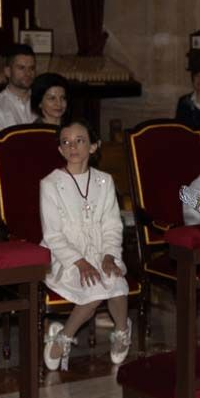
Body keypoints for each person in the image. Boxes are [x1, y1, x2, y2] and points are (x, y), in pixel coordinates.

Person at [40, 119, 132, 371]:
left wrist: (109, 255)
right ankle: (64, 337)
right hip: (66, 257)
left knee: (117, 284)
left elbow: (112, 225)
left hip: (101, 251)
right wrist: (80, 263)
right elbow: (53, 235)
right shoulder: (50, 184)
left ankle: (122, 330)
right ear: (60, 150)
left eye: (79, 140)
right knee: (92, 289)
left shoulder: (104, 181)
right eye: (66, 142)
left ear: (93, 146)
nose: (72, 147)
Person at [0, 45, 38, 130]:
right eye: (21, 68)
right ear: (8, 72)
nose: (28, 73)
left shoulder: (41, 100)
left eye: (31, 68)